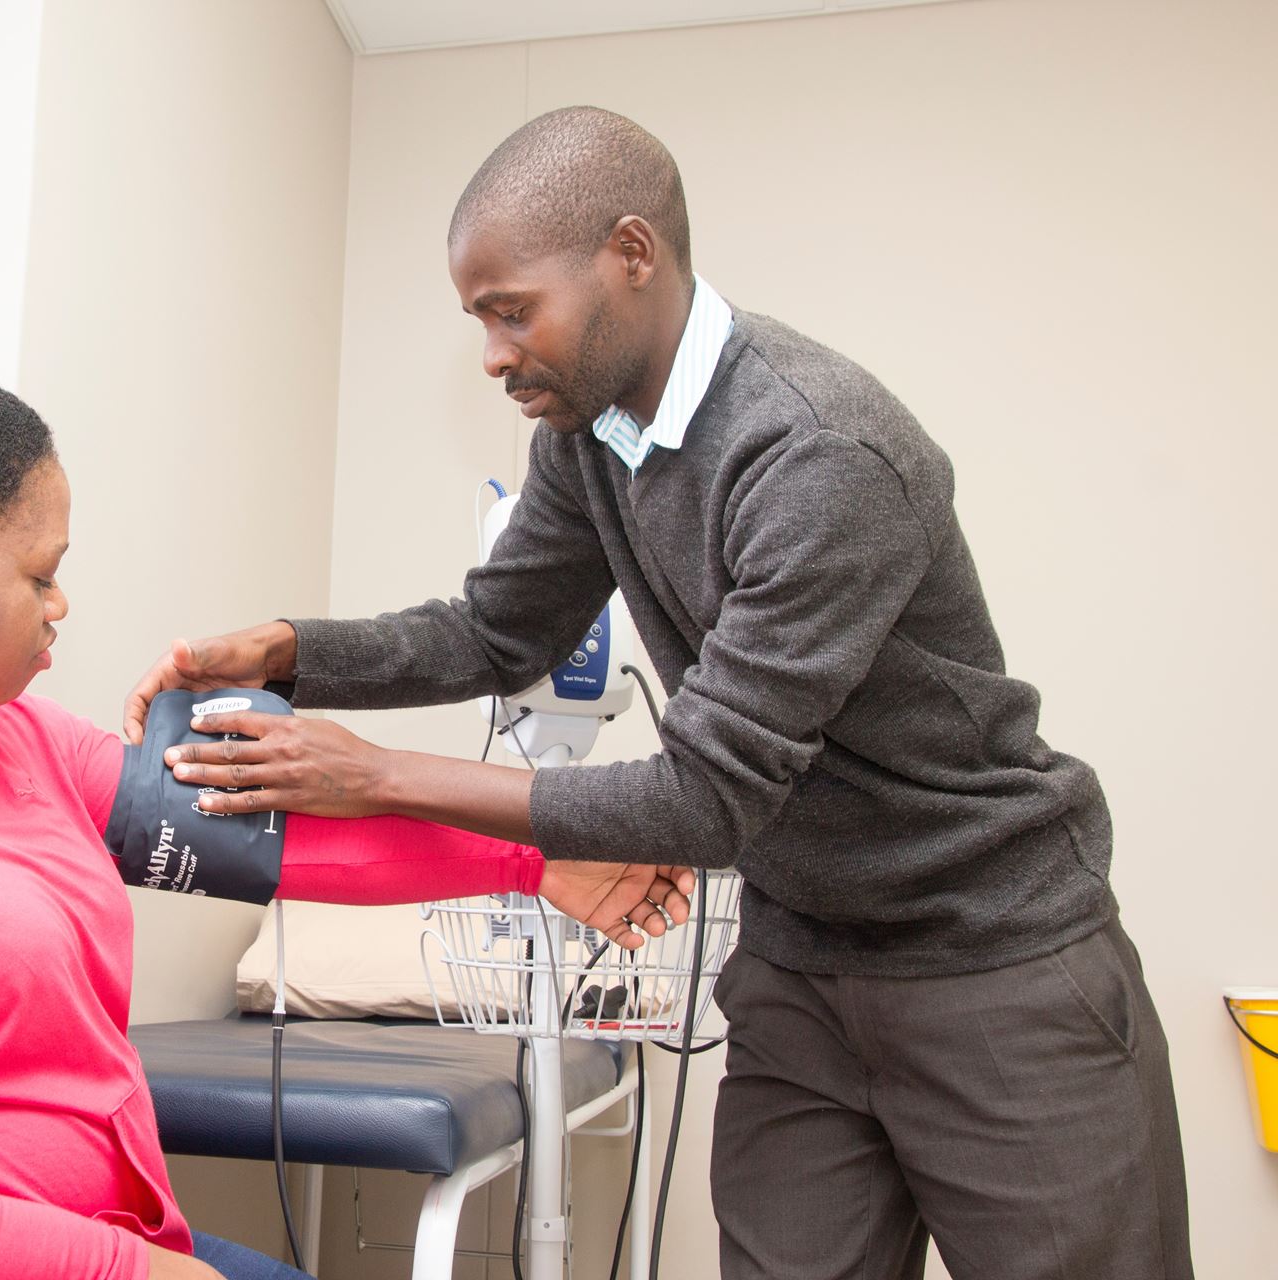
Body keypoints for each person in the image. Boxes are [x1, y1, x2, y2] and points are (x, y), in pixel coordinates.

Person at [123, 107, 1191, 1280]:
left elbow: (706, 798)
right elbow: (493, 629)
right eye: (478, 318)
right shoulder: (594, 440)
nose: (490, 352)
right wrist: (283, 650)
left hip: (996, 961)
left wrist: (367, 775)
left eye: (511, 310)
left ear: (632, 254)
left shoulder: (820, 451)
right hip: (800, 967)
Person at [0, 360, 692, 1280]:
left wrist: (534, 857)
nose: (61, 607)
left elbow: (273, 835)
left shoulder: (4, 737)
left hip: (114, 1240)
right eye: (40, 574)